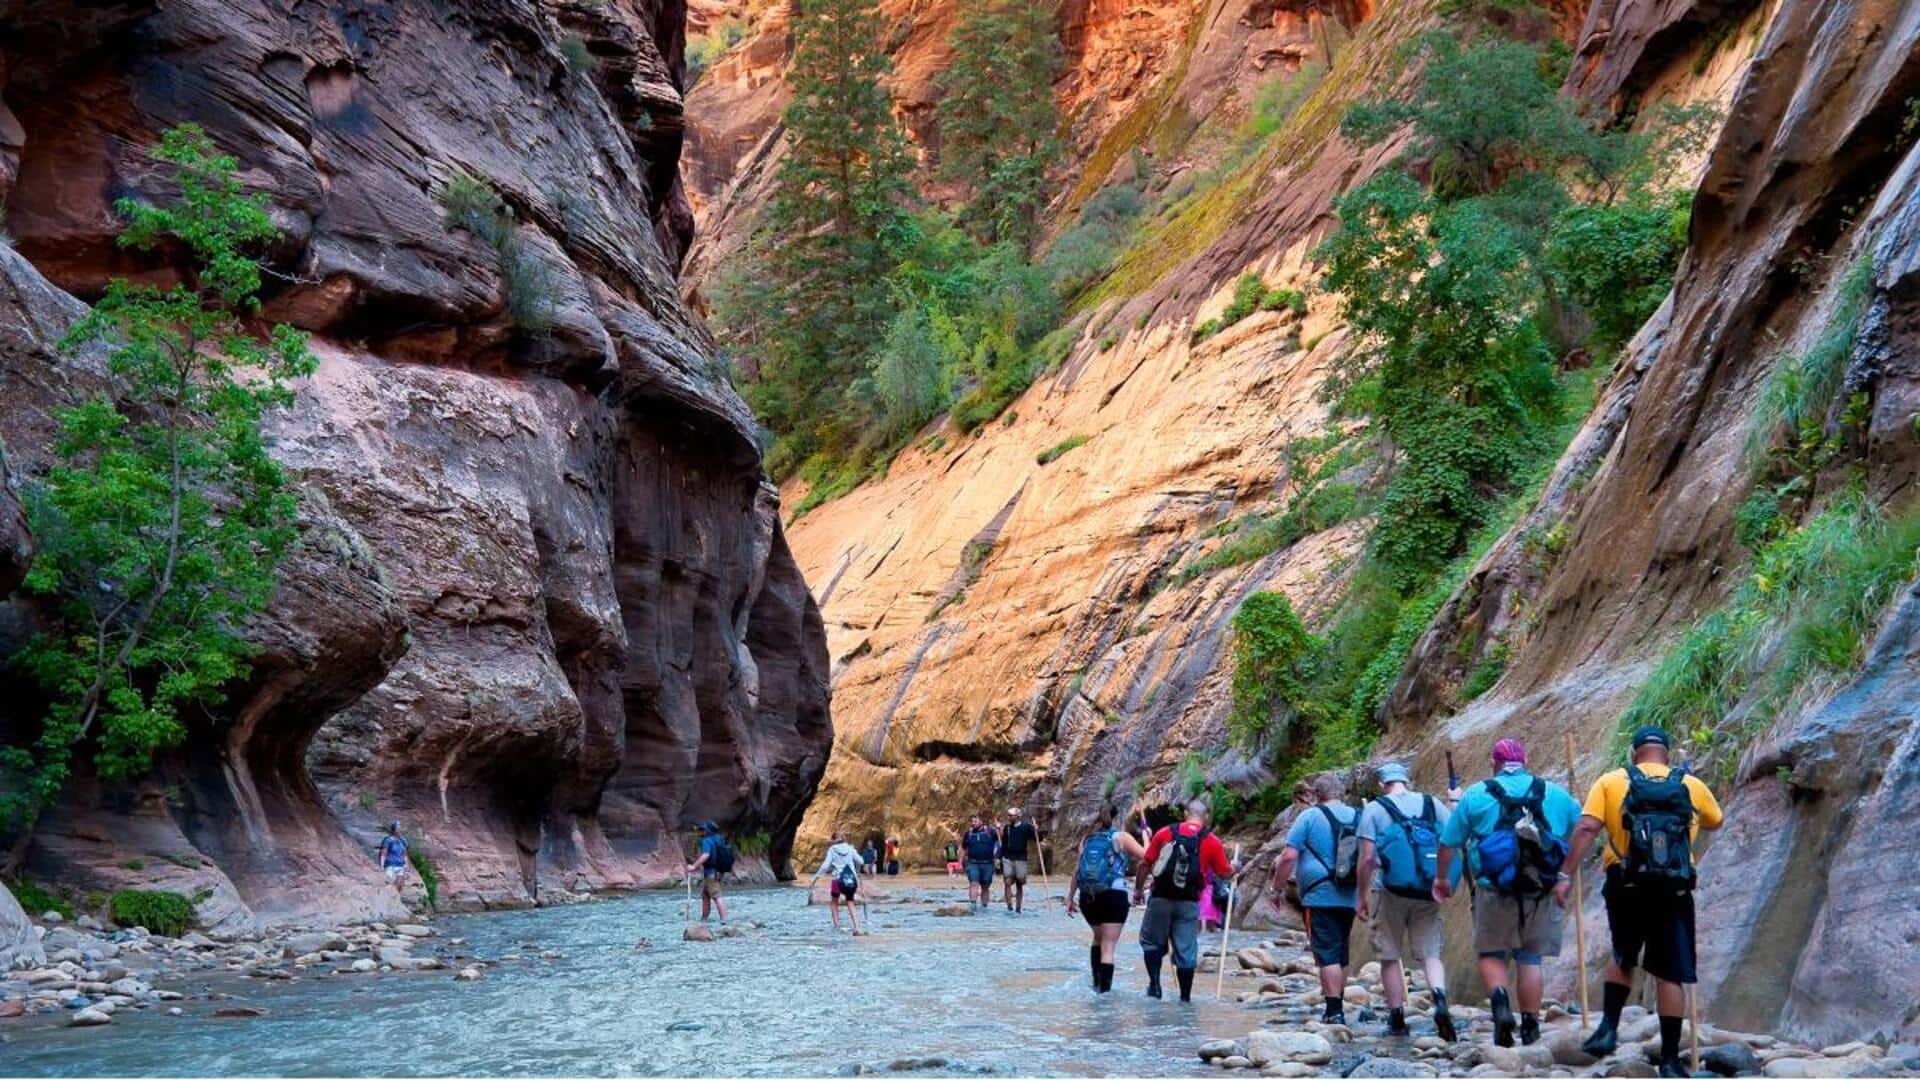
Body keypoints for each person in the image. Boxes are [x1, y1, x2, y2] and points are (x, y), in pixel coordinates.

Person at [1557, 726, 1724, 1078]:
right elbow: (1716, 821)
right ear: (1667, 753)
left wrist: (1565, 874)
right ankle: (1669, 1059)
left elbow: (1587, 828)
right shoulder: (1689, 784)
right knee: (1670, 972)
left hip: (1626, 882)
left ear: (1635, 754)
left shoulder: (1612, 781)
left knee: (1623, 953)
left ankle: (1608, 1030)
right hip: (1674, 887)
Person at [1436, 738, 1582, 1048]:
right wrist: (1564, 875)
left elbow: (1448, 842)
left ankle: (1501, 1006)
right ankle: (1530, 1026)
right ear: (1526, 761)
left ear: (1494, 763)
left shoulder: (1476, 795)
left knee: (1492, 953)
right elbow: (1581, 830)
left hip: (1493, 889)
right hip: (1539, 890)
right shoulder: (1554, 793)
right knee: (1530, 957)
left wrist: (1441, 880)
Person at [1356, 763, 1458, 1041]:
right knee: (1431, 953)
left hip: (1388, 890)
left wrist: (1360, 897)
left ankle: (1397, 1018)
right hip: (1427, 889)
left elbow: (1367, 860)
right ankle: (1439, 999)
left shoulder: (1374, 810)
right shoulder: (1432, 804)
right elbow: (1452, 839)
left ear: (1382, 784)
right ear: (1406, 780)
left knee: (1389, 955)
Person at [1276, 774, 1362, 1026]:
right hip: (1351, 894)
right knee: (1341, 951)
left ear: (1316, 794)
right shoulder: (1360, 816)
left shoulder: (1310, 816)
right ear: (1342, 793)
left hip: (1319, 894)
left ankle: (1334, 1010)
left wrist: (1276, 888)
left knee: (1327, 953)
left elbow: (1289, 855)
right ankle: (1339, 999)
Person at [1137, 799, 1235, 1002]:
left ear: (1185, 814)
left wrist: (1138, 890)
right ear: (1205, 816)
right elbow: (1224, 873)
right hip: (1188, 902)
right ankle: (1185, 998)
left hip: (1160, 898)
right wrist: (1236, 867)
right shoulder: (1212, 841)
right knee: (1186, 949)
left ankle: (1155, 986)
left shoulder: (1164, 833)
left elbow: (1145, 864)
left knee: (1152, 943)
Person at [1067, 804, 1149, 992]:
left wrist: (1070, 897)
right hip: (1113, 896)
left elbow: (1077, 870)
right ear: (1115, 818)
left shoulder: (1087, 839)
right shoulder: (1122, 837)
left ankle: (1096, 985)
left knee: (1097, 938)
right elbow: (1148, 857)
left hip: (1088, 897)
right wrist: (1145, 834)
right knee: (1108, 946)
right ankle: (1104, 995)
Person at [808, 830, 867, 934]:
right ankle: (857, 927)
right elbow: (861, 861)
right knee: (850, 902)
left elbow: (825, 866)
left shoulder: (832, 850)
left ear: (834, 839)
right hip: (850, 879)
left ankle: (836, 926)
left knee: (834, 902)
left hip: (837, 880)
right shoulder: (850, 848)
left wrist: (815, 879)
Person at [685, 821, 731, 924]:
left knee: (716, 895)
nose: (701, 832)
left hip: (711, 873)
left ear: (707, 831)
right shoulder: (718, 839)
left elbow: (706, 855)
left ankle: (724, 920)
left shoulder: (706, 840)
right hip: (716, 872)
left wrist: (693, 867)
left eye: (702, 830)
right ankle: (704, 919)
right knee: (705, 896)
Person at [1000, 807, 1039, 913]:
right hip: (1007, 857)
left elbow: (1037, 838)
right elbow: (1003, 844)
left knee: (1020, 882)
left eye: (1011, 815)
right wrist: (1000, 857)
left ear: (1017, 816)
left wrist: (1036, 830)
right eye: (1008, 815)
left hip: (1021, 858)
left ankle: (1018, 908)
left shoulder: (1026, 827)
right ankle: (1009, 906)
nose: (1009, 817)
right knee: (1007, 881)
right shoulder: (1007, 828)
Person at [961, 815, 1000, 911]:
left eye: (975, 821)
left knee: (985, 886)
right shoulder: (968, 834)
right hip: (972, 863)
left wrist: (999, 828)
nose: (973, 823)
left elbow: (1001, 838)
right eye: (972, 821)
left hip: (988, 863)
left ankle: (984, 907)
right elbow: (963, 848)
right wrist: (960, 862)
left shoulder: (990, 832)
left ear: (981, 821)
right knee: (974, 883)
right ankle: (973, 905)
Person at [377, 822, 409, 891]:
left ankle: (396, 900)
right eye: (398, 828)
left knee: (399, 886)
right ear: (394, 830)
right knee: (389, 886)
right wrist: (382, 865)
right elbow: (383, 853)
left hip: (400, 866)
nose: (400, 829)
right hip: (390, 866)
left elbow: (405, 854)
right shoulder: (388, 840)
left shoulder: (403, 841)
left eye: (400, 828)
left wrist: (406, 865)